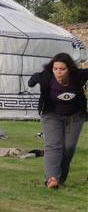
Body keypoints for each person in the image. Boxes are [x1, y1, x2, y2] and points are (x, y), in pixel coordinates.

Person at [27, 53, 88, 189]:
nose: (58, 72)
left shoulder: (78, 76)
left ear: (69, 69)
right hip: (51, 115)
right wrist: (34, 79)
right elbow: (31, 81)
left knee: (69, 148)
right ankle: (51, 179)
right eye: (56, 69)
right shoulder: (46, 77)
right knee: (53, 145)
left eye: (62, 69)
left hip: (75, 116)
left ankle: (60, 178)